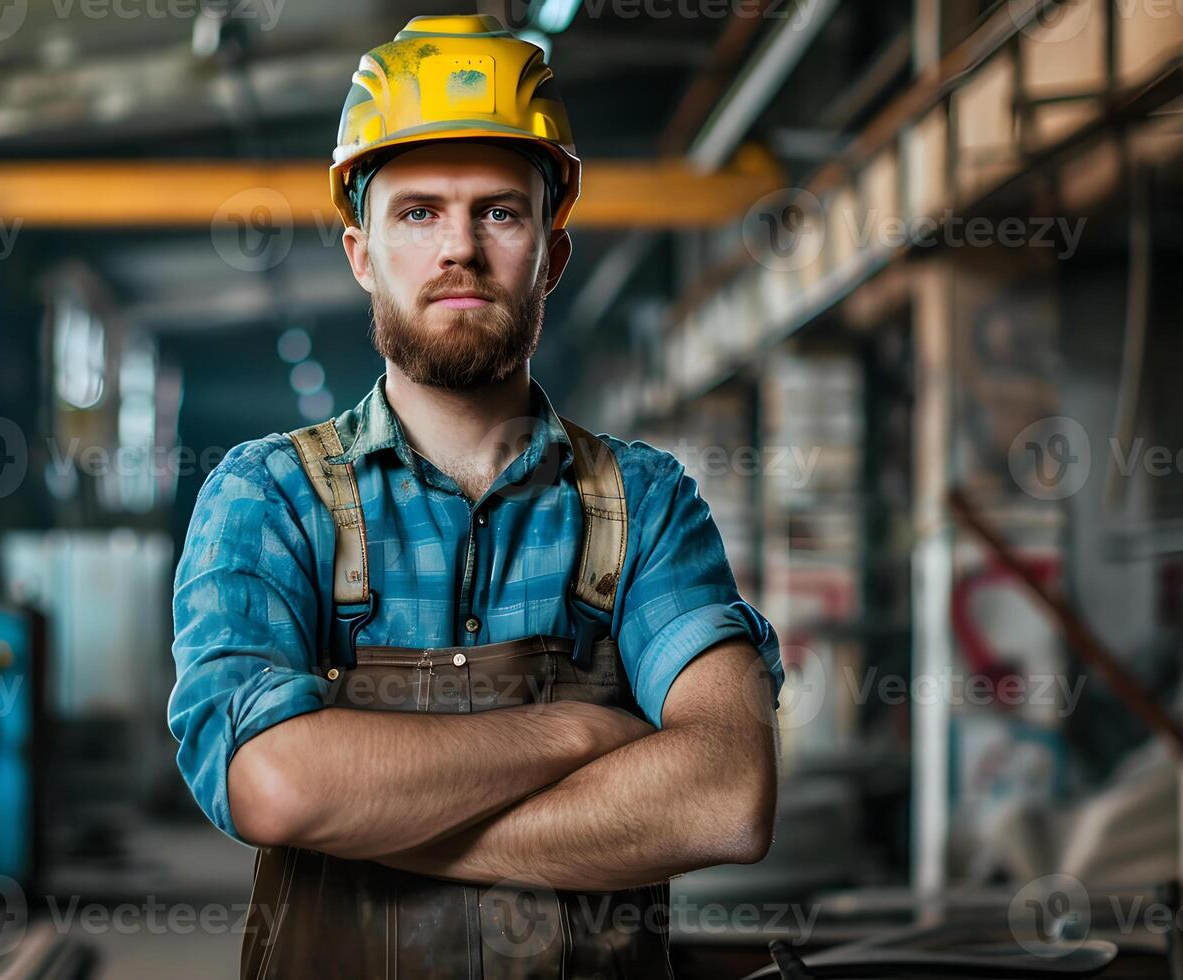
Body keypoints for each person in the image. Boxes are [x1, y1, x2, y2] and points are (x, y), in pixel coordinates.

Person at [169, 14, 784, 977]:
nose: (459, 246)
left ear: (551, 254)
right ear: (361, 254)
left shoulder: (644, 502)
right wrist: (578, 732)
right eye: (417, 212)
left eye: (499, 211)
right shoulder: (270, 499)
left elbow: (726, 794)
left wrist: (369, 817)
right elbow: (278, 788)